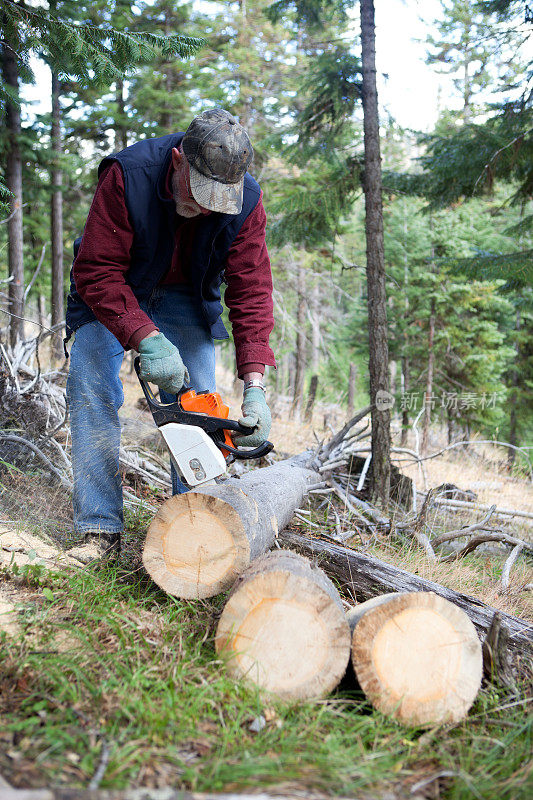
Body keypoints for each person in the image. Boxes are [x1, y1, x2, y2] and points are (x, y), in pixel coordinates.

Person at [64, 108, 275, 563]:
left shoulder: (247, 202)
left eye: (217, 200)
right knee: (90, 384)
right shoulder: (128, 175)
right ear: (178, 160)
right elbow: (96, 269)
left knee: (198, 400)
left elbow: (251, 291)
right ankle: (99, 531)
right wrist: (145, 336)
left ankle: (195, 533)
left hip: (184, 295)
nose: (204, 208)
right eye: (199, 194)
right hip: (115, 287)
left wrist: (255, 386)